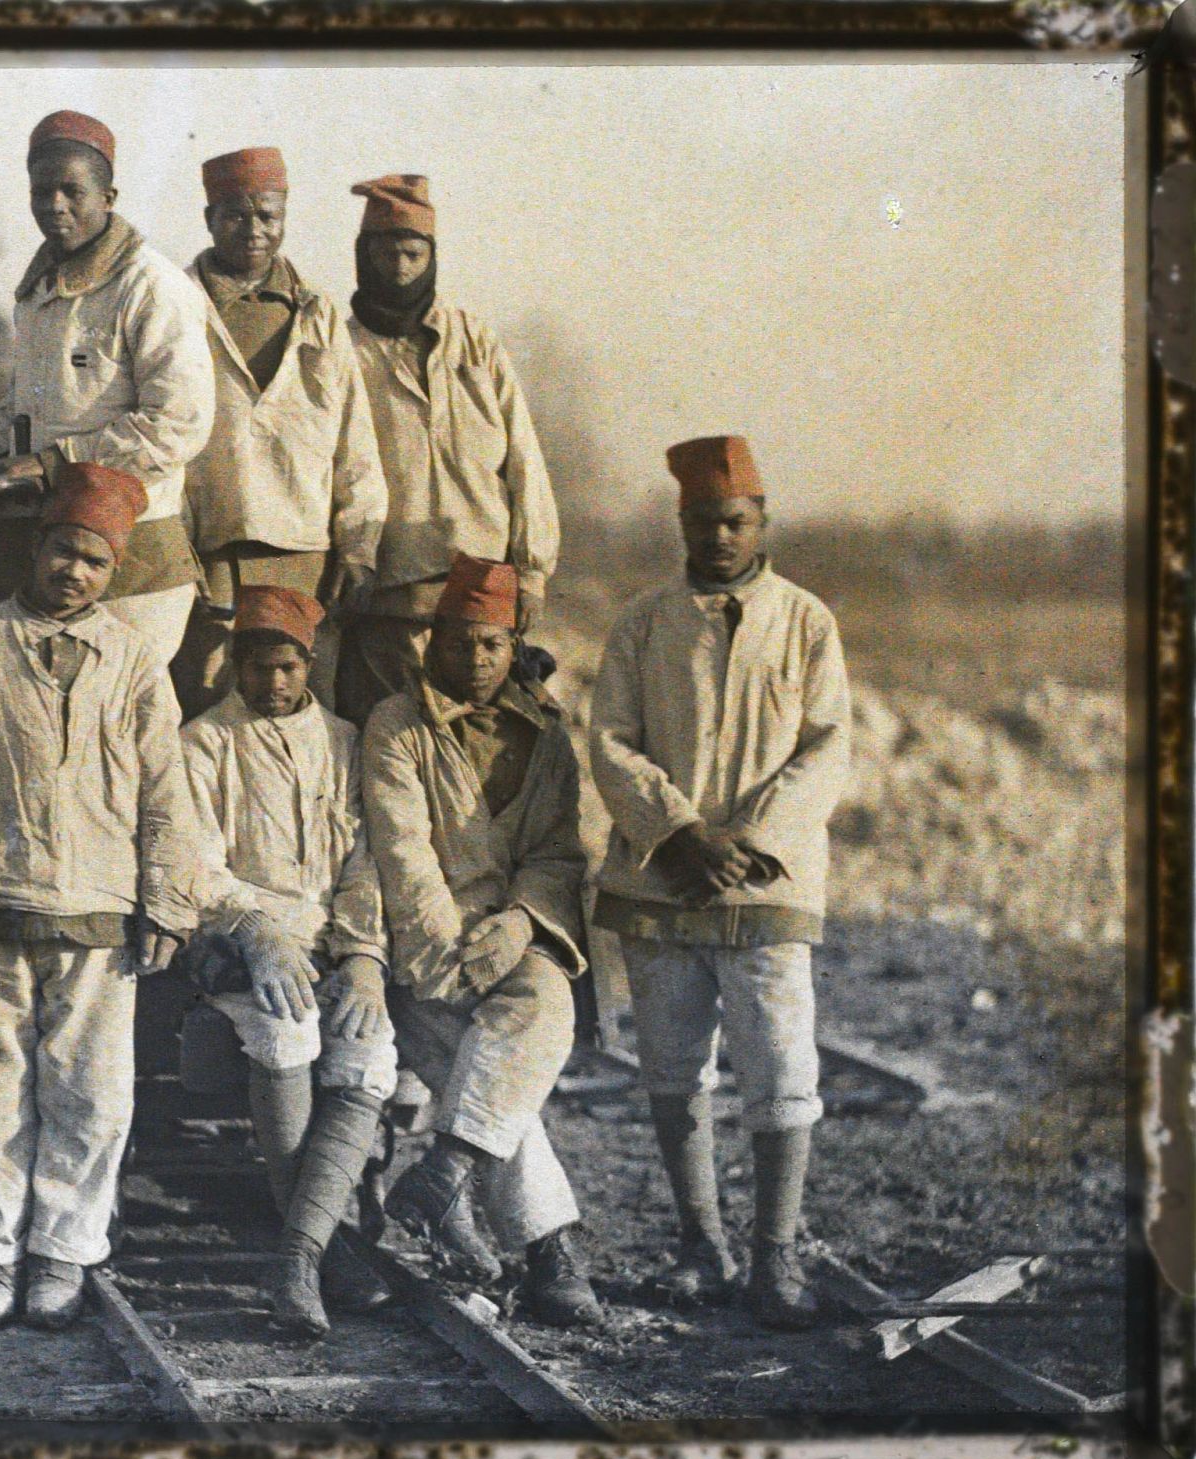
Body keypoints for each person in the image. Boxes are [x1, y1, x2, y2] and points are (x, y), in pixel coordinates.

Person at [0, 461, 206, 1333]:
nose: (72, 572)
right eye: (60, 552)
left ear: (111, 573)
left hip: (98, 907)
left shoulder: (132, 661)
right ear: (34, 549)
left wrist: (168, 897)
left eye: (91, 561)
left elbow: (166, 788)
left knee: (90, 1092)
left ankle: (62, 1255)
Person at [588, 435, 851, 1331]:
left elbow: (827, 745)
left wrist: (752, 837)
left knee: (781, 1065)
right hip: (666, 879)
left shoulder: (807, 621)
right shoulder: (644, 622)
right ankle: (702, 1242)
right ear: (683, 525)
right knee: (673, 1066)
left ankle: (775, 1256)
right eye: (704, 523)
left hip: (766, 884)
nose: (721, 538)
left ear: (763, 522)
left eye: (736, 522)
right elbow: (611, 740)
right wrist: (681, 829)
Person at [362, 553, 602, 1327]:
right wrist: (449, 957)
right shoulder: (397, 726)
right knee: (486, 1054)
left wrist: (524, 921)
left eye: (492, 644)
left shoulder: (549, 738)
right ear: (433, 639)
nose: (475, 659)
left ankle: (448, 1166)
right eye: (459, 642)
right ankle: (550, 1249)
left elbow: (559, 852)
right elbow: (404, 855)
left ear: (513, 643)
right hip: (428, 944)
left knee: (546, 1007)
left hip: (511, 933)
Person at [177, 586, 398, 1339]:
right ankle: (322, 1256)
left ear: (311, 661)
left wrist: (365, 954)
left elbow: (370, 859)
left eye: (289, 666)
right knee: (287, 1033)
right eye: (259, 666)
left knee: (368, 1053)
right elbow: (196, 866)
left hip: (335, 942)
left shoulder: (345, 740)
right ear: (236, 663)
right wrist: (255, 927)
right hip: (241, 943)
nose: (274, 683)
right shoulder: (204, 742)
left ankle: (297, 1256)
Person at [0, 110, 216, 672]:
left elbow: (179, 423)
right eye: (42, 192)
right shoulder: (35, 293)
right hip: (50, 551)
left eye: (72, 190)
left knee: (126, 724)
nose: (54, 205)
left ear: (109, 195)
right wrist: (0, 453)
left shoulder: (152, 285)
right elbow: (34, 407)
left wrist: (55, 460)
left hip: (136, 557)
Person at [169, 146, 386, 718]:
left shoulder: (318, 312)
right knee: (211, 709)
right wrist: (179, 551)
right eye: (236, 215)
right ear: (210, 218)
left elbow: (353, 440)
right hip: (212, 550)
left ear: (285, 216)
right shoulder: (177, 308)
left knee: (306, 712)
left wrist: (358, 547)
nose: (254, 230)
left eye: (268, 215)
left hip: (304, 552)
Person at [336, 175, 560, 726]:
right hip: (392, 591)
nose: (400, 267)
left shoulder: (473, 341)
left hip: (480, 589)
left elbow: (524, 458)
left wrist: (531, 570)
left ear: (432, 257)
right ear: (364, 256)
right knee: (397, 732)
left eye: (413, 253)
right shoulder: (343, 347)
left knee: (486, 734)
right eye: (385, 253)